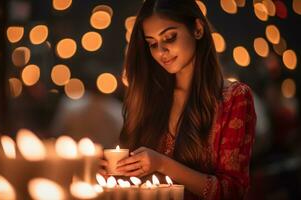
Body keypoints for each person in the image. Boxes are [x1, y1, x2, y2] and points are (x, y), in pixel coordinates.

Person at [100, 0, 256, 199]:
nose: (160, 51)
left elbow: (232, 192)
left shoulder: (234, 98)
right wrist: (113, 172)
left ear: (198, 29)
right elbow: (137, 183)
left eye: (170, 37)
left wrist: (162, 164)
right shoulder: (149, 96)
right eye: (152, 44)